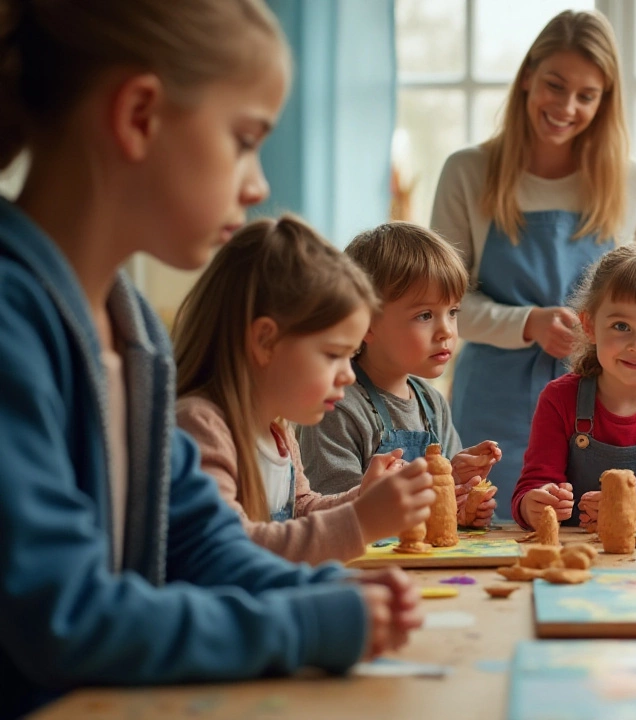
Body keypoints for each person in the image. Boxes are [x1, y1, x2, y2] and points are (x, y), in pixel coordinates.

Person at [0, 3, 417, 715]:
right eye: (244, 139)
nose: (257, 187)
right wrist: (307, 623)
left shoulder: (134, 335)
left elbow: (200, 545)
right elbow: (64, 616)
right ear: (139, 116)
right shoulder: (13, 321)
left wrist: (327, 590)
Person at [430, 9, 636, 518]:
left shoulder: (632, 184)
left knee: (597, 530)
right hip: (492, 404)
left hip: (604, 408)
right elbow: (440, 303)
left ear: (604, 102)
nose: (566, 107)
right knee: (486, 530)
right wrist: (527, 323)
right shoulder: (467, 172)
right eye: (555, 85)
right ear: (527, 78)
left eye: (586, 95)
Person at [174, 217, 440, 564]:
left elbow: (302, 510)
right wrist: (361, 520)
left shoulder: (277, 430)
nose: (347, 375)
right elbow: (227, 551)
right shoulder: (200, 427)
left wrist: (362, 498)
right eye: (334, 354)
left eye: (351, 355)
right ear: (266, 341)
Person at [298, 222, 499, 527]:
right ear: (366, 324)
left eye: (453, 312)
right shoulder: (335, 406)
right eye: (425, 315)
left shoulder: (431, 404)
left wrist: (462, 497)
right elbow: (339, 517)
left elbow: (442, 511)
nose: (446, 330)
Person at [511, 244, 636, 529]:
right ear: (590, 325)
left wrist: (626, 507)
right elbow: (532, 487)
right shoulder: (559, 398)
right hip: (573, 555)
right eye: (621, 326)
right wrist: (534, 504)